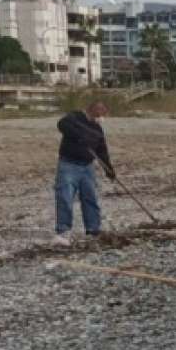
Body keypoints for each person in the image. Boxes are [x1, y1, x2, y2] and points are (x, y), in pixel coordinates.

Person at [53, 101, 116, 245]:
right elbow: (62, 125)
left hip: (87, 167)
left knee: (90, 198)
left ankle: (93, 229)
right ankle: (63, 231)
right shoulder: (74, 117)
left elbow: (101, 150)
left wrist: (109, 169)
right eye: (101, 113)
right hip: (69, 164)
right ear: (94, 110)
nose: (102, 117)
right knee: (65, 197)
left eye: (104, 114)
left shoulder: (97, 129)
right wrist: (79, 136)